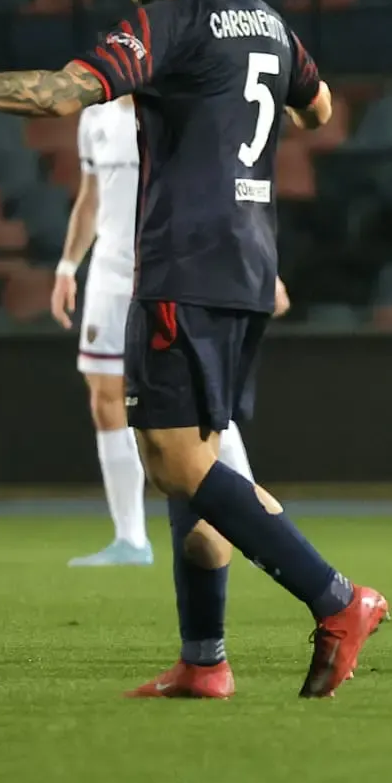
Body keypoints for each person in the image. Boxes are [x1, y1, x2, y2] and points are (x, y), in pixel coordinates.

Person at [0, 0, 388, 699]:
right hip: (246, 263)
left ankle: (337, 597)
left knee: (173, 460)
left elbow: (62, 94)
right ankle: (204, 659)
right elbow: (320, 108)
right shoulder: (267, 19)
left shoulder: (172, 23)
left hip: (183, 262)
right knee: (195, 460)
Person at [50, 95, 289, 568]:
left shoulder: (178, 108)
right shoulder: (95, 116)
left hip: (171, 270)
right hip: (110, 273)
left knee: (202, 403)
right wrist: (66, 266)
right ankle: (130, 538)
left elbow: (225, 189)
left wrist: (261, 267)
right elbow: (90, 197)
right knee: (104, 397)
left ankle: (258, 523)